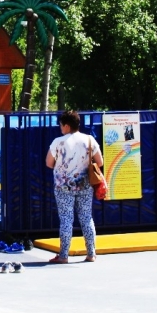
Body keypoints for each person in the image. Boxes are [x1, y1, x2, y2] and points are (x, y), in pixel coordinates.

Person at [45, 110, 103, 264]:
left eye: (61, 125)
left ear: (67, 126)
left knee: (66, 219)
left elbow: (49, 163)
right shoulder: (89, 139)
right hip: (85, 185)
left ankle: (63, 255)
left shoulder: (58, 142)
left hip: (63, 186)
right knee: (86, 217)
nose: (60, 128)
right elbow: (100, 161)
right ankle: (91, 253)